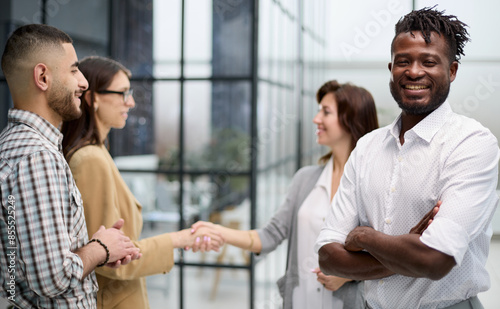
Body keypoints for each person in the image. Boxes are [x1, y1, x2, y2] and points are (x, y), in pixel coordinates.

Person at [315, 7, 500, 309]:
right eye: (403, 61)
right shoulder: (367, 148)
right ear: (391, 68)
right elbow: (328, 257)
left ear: (452, 71)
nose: (414, 71)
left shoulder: (471, 144)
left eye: (429, 62)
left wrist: (365, 237)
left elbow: (434, 260)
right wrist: (404, 250)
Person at [191, 80, 379, 308]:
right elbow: (270, 236)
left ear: (351, 120)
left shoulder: (374, 186)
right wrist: (219, 232)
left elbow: (387, 257)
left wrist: (348, 274)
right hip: (299, 301)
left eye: (325, 112)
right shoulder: (305, 179)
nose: (316, 118)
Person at [60, 56, 224, 309]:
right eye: (123, 93)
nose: (131, 102)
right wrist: (178, 239)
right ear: (93, 98)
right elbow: (106, 259)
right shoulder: (91, 159)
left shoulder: (98, 153)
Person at [0, 24, 141, 309]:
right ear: (42, 77)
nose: (84, 83)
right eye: (74, 70)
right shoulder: (37, 158)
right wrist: (101, 248)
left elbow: (33, 264)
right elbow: (53, 279)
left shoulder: (17, 145)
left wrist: (101, 248)